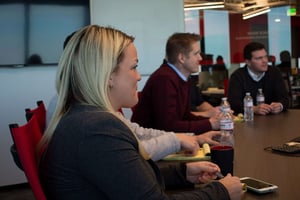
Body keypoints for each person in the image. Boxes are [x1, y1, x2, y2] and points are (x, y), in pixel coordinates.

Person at [38, 25, 243, 199]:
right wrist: (221, 191)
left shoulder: (88, 118)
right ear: (108, 75)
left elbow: (125, 177)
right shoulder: (96, 130)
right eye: (134, 67)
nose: (138, 77)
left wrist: (183, 173)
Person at [131, 33, 220, 134]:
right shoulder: (164, 79)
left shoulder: (181, 78)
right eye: (196, 54)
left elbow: (185, 117)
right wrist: (210, 124)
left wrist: (213, 122)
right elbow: (168, 126)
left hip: (166, 141)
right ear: (181, 58)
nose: (200, 58)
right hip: (148, 144)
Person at [228, 41, 289, 115]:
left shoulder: (274, 72)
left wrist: (280, 106)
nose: (265, 61)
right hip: (248, 121)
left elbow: (285, 98)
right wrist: (253, 109)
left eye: (265, 57)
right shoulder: (238, 76)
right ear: (248, 62)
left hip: (274, 120)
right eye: (259, 58)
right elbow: (233, 103)